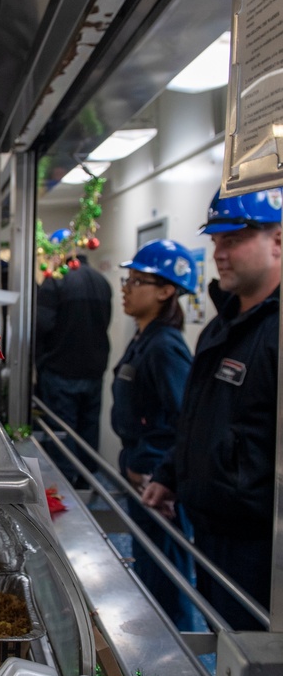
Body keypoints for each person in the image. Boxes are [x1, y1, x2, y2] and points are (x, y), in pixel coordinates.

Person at [144, 187, 281, 631]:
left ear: (278, 240)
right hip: (212, 529)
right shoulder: (222, 327)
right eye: (216, 239)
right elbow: (196, 419)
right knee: (223, 648)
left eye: (233, 239)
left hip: (258, 544)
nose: (218, 252)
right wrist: (170, 474)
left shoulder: (275, 332)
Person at [111, 239, 196, 630]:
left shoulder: (165, 347)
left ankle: (175, 657)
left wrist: (160, 471)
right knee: (149, 563)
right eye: (126, 280)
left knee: (166, 571)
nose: (126, 289)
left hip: (155, 478)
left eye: (137, 282)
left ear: (165, 291)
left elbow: (187, 421)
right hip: (139, 467)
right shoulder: (144, 337)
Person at [35, 231, 112, 484]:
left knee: (63, 437)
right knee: (88, 432)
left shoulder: (56, 282)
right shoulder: (103, 282)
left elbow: (40, 326)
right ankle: (88, 484)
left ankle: (66, 488)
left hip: (60, 373)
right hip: (94, 372)